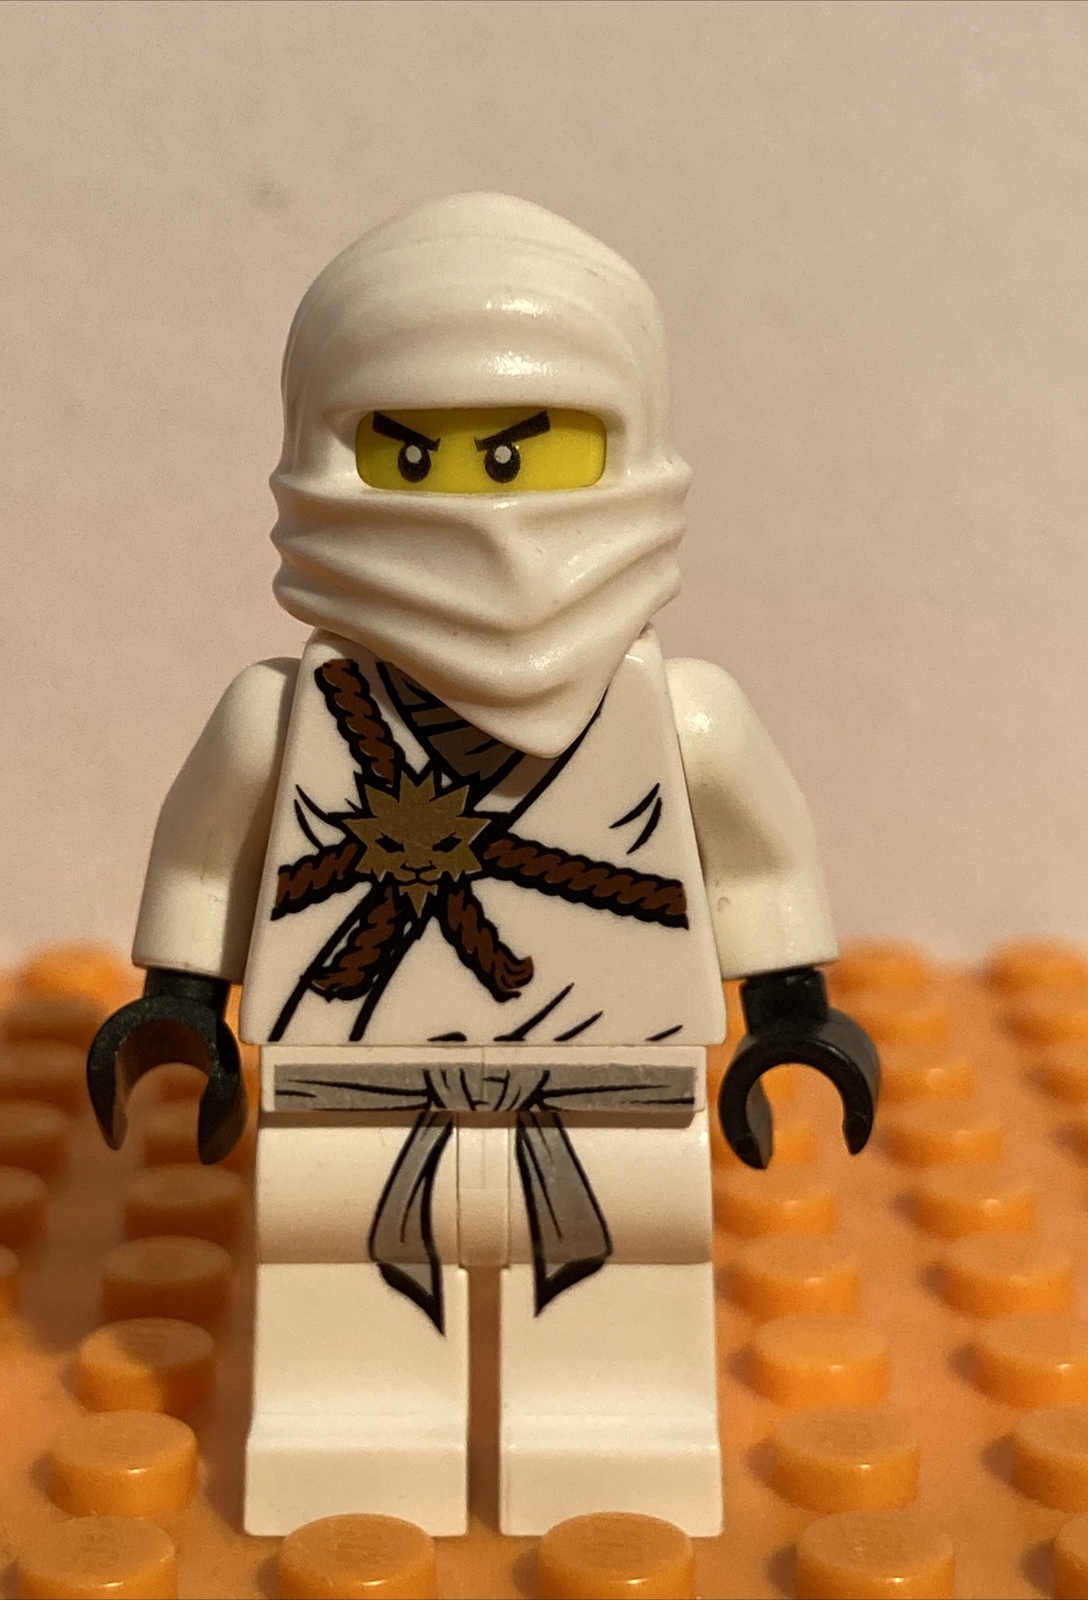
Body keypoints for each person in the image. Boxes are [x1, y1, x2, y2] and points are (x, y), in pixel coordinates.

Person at [87, 192, 878, 1538]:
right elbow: (209, 865)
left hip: (612, 1072)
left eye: (525, 453)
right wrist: (182, 1005)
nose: (476, 506)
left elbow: (757, 868)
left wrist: (791, 1010)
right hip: (354, 1074)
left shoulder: (680, 715)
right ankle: (351, 1439)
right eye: (411, 455)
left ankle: (617, 1444)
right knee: (342, 1247)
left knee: (620, 1253)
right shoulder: (289, 716)